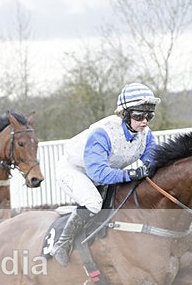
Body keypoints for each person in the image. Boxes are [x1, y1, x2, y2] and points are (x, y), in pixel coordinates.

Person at [49, 82, 161, 266]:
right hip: (75, 170)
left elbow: (153, 160)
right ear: (125, 114)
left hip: (104, 171)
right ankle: (62, 243)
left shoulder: (145, 134)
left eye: (149, 116)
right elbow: (99, 174)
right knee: (93, 203)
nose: (145, 121)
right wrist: (131, 174)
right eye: (139, 115)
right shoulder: (103, 133)